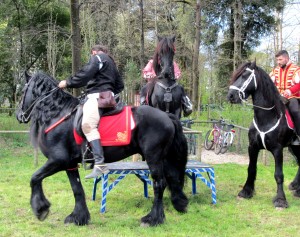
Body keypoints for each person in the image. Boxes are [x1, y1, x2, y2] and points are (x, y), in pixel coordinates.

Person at [58, 45, 124, 179]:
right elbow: (120, 85)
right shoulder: (111, 63)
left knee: (87, 125)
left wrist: (67, 82)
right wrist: (109, 93)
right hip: (108, 97)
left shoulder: (97, 58)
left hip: (96, 97)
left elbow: (85, 74)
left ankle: (99, 163)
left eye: (92, 54)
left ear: (94, 52)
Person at [270, 50, 300, 142]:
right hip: (278, 98)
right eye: (277, 60)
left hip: (292, 97)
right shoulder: (275, 71)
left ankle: (298, 135)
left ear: (286, 58)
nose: (278, 62)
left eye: (280, 59)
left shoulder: (296, 69)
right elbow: (270, 83)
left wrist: (289, 91)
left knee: (295, 111)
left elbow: (299, 84)